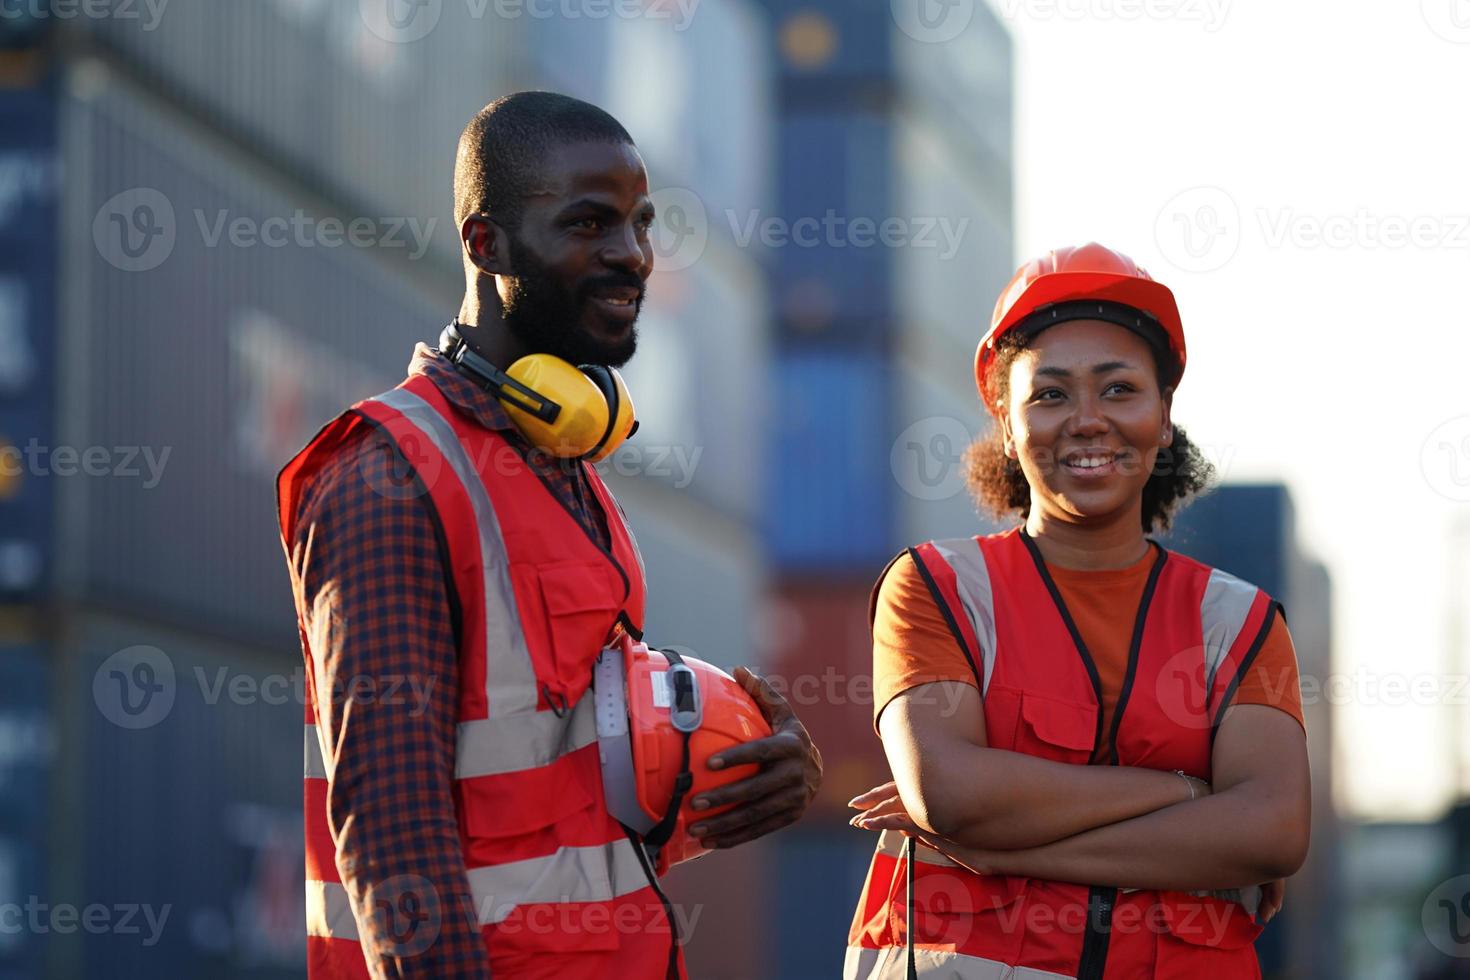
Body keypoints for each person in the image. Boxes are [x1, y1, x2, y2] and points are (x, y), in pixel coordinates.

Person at [277, 91, 822, 979]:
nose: (634, 256)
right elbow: (391, 838)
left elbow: (549, 823)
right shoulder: (389, 475)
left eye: (641, 224)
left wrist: (728, 778)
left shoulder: (563, 462)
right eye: (589, 224)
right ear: (484, 244)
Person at [845, 243, 1310, 978]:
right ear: (1005, 417)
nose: (1087, 421)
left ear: (1164, 417)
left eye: (1120, 390)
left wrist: (1002, 844)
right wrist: (1191, 795)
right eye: (1051, 394)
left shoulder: (1240, 622)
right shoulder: (937, 587)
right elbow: (951, 793)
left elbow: (1274, 831)